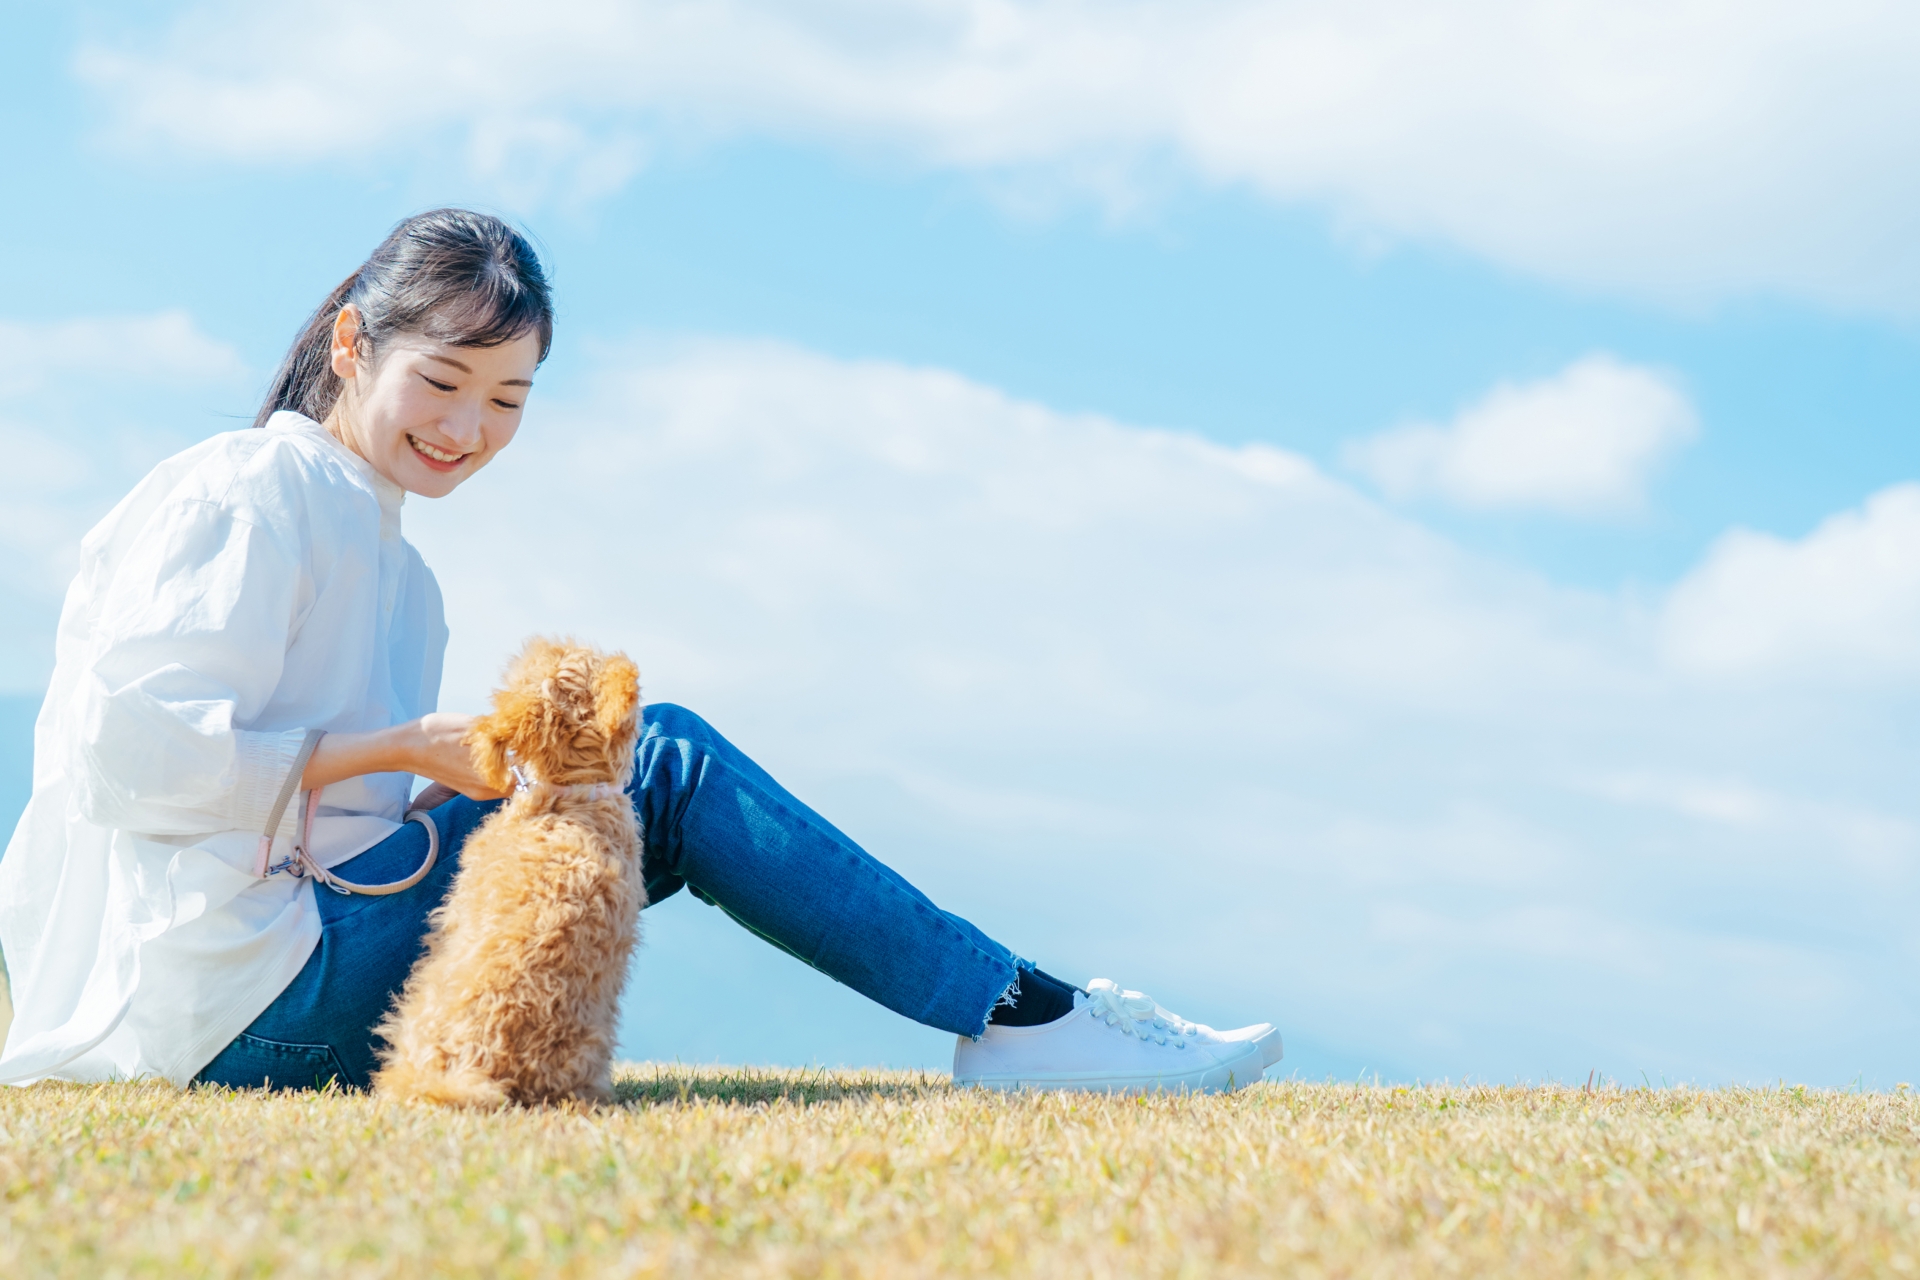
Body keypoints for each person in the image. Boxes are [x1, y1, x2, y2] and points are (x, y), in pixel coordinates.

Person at [0, 209, 1279, 1095]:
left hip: (282, 970)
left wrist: (459, 777)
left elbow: (325, 808)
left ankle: (1021, 1012)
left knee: (608, 767)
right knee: (654, 758)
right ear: (351, 344)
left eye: (506, 400)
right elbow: (133, 753)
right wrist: (403, 747)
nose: (466, 427)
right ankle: (1023, 1018)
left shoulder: (397, 561)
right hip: (228, 1009)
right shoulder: (247, 489)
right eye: (442, 380)